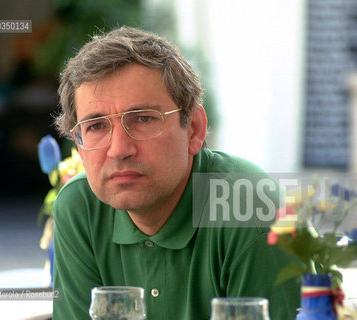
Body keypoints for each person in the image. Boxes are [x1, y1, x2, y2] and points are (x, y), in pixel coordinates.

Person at [52, 26, 300, 320]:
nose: (119, 149)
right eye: (96, 126)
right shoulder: (80, 207)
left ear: (194, 129)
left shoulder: (249, 206)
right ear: (78, 145)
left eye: (143, 119)